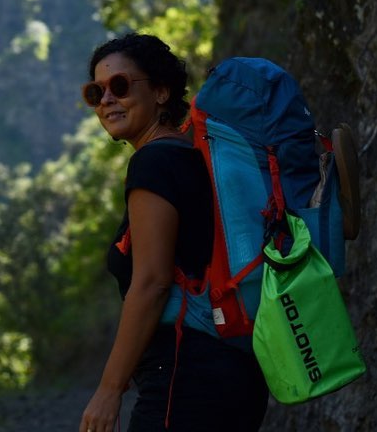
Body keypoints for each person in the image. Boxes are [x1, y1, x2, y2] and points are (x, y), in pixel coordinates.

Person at [78, 33, 268, 432]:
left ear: (161, 92)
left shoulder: (154, 163)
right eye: (96, 92)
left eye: (120, 85)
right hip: (235, 370)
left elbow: (152, 282)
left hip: (185, 375)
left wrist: (109, 389)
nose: (107, 100)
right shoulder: (189, 157)